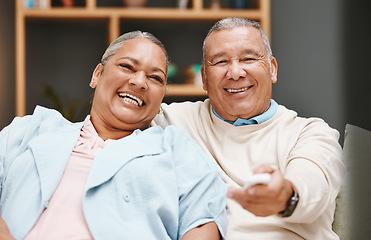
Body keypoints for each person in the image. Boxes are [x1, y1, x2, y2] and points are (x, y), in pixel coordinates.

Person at [0, 31, 226, 240]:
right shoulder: (30, 130)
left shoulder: (177, 151)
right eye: (127, 67)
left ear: (160, 103)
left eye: (155, 78)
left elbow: (201, 225)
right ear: (97, 75)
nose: (139, 82)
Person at [153, 17, 346, 239]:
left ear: (272, 69)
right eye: (220, 62)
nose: (235, 72)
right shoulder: (173, 120)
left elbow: (312, 185)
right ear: (204, 79)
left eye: (249, 58)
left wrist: (283, 195)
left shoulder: (311, 132)